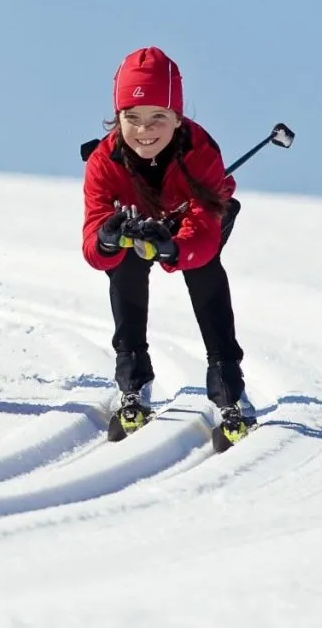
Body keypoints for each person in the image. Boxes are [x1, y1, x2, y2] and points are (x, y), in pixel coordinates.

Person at [81, 46, 253, 444]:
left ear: (178, 116)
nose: (145, 130)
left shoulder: (201, 152)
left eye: (158, 116)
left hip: (187, 228)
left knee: (203, 269)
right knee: (122, 265)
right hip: (139, 224)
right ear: (118, 117)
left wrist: (174, 248)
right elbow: (92, 241)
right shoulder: (104, 161)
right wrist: (108, 239)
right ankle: (133, 381)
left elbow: (205, 233)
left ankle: (228, 387)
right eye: (133, 118)